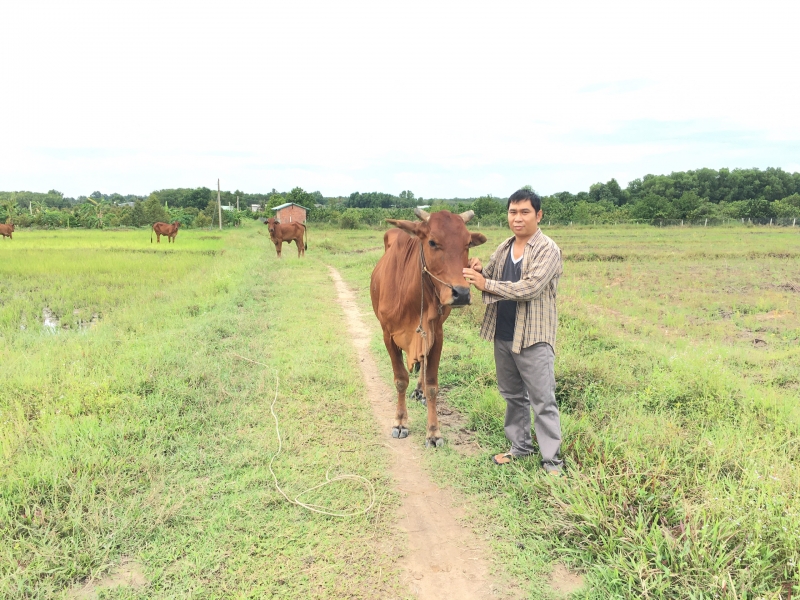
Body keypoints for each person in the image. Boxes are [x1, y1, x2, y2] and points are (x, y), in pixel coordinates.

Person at [462, 188, 564, 474]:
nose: (517, 219)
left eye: (524, 212)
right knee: (513, 395)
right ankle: (520, 448)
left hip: (533, 336)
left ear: (538, 215)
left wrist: (485, 284)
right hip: (503, 333)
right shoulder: (505, 247)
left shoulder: (547, 249)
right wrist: (481, 270)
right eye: (513, 212)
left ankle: (552, 460)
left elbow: (530, 287)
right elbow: (492, 275)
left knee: (543, 400)